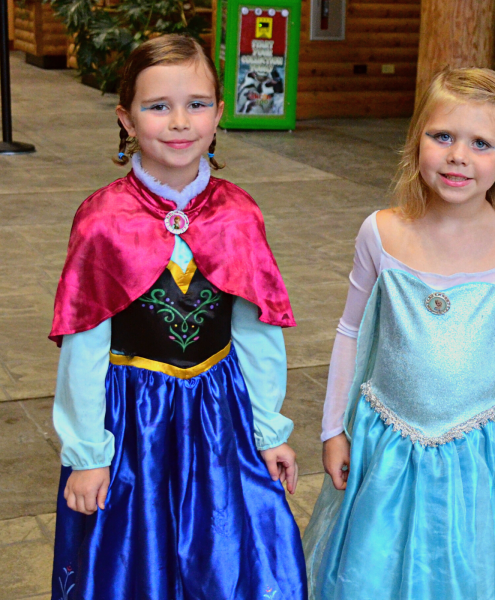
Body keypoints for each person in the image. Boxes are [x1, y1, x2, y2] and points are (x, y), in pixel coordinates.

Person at [49, 34, 307, 600]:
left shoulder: (238, 215)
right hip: (130, 419)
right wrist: (89, 454)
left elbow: (257, 333)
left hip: (220, 416)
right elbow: (84, 341)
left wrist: (268, 430)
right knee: (132, 552)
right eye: (157, 106)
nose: (179, 121)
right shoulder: (102, 222)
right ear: (126, 118)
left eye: (196, 104)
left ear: (218, 113)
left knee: (226, 549)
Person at [302, 68, 495, 600]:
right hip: (389, 448)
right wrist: (334, 428)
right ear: (416, 139)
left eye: (481, 143)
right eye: (442, 135)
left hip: (485, 458)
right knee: (376, 571)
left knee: (476, 577)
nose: (457, 156)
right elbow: (350, 332)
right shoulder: (380, 232)